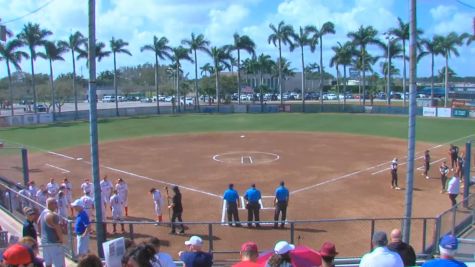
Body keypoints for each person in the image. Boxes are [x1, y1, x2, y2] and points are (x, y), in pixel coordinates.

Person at [39, 197, 65, 267]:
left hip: (45, 242)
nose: (56, 205)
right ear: (51, 204)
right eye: (55, 203)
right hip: (54, 243)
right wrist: (61, 240)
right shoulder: (53, 215)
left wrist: (41, 235)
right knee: (60, 264)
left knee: (48, 264)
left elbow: (38, 223)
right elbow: (58, 229)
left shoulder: (43, 212)